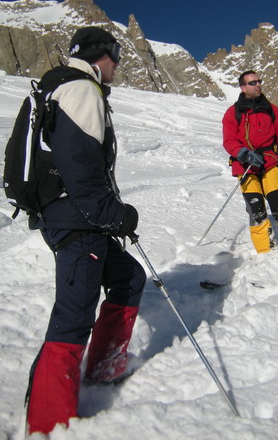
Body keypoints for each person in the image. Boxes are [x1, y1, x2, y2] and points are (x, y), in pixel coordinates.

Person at [25, 26, 146, 435]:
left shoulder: (69, 88)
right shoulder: (80, 90)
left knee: (129, 276)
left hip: (77, 216)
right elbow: (81, 169)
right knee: (74, 314)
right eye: (115, 55)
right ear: (100, 55)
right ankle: (48, 423)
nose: (118, 63)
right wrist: (116, 215)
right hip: (77, 219)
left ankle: (104, 368)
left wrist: (110, 215)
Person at [222, 70, 278, 254]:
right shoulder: (233, 113)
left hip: (270, 164)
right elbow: (229, 141)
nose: (258, 85)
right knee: (256, 210)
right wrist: (244, 153)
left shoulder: (272, 110)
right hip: (246, 166)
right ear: (243, 87)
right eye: (253, 83)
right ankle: (265, 253)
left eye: (259, 81)